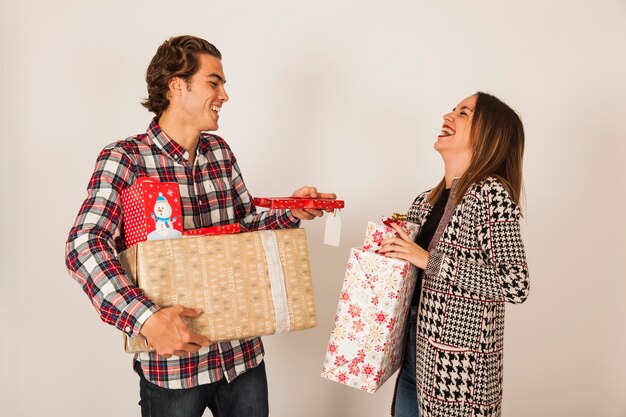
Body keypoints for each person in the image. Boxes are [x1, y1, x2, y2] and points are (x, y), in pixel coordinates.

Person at [65, 35, 335, 417]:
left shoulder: (220, 153)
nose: (225, 94)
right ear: (178, 86)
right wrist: (147, 319)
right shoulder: (124, 158)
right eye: (214, 82)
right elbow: (84, 247)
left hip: (242, 358)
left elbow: (242, 227)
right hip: (174, 369)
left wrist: (292, 212)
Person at [379, 92, 530, 417]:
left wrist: (427, 260)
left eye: (463, 113)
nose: (448, 116)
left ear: (489, 134)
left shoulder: (492, 195)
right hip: (412, 352)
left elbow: (516, 284)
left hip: (460, 370)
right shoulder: (424, 201)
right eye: (452, 109)